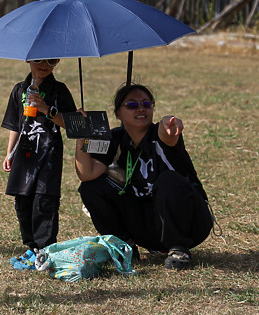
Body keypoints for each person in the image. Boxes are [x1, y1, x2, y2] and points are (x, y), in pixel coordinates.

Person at [74, 83, 213, 270]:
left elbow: (168, 135)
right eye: (132, 105)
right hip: (148, 224)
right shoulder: (115, 139)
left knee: (167, 180)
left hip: (190, 221)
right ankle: (125, 247)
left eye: (146, 104)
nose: (140, 109)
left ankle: (179, 249)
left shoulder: (159, 135)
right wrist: (81, 137)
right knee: (91, 188)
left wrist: (168, 123)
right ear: (118, 114)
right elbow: (86, 173)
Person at [2, 58, 76, 255]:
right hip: (24, 153)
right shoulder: (19, 89)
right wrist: (10, 152)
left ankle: (45, 247)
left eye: (51, 60)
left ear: (58, 61)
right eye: (38, 60)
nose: (44, 64)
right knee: (22, 200)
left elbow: (70, 124)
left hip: (49, 153)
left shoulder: (60, 90)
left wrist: (47, 109)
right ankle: (31, 246)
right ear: (28, 59)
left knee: (44, 200)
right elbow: (14, 125)